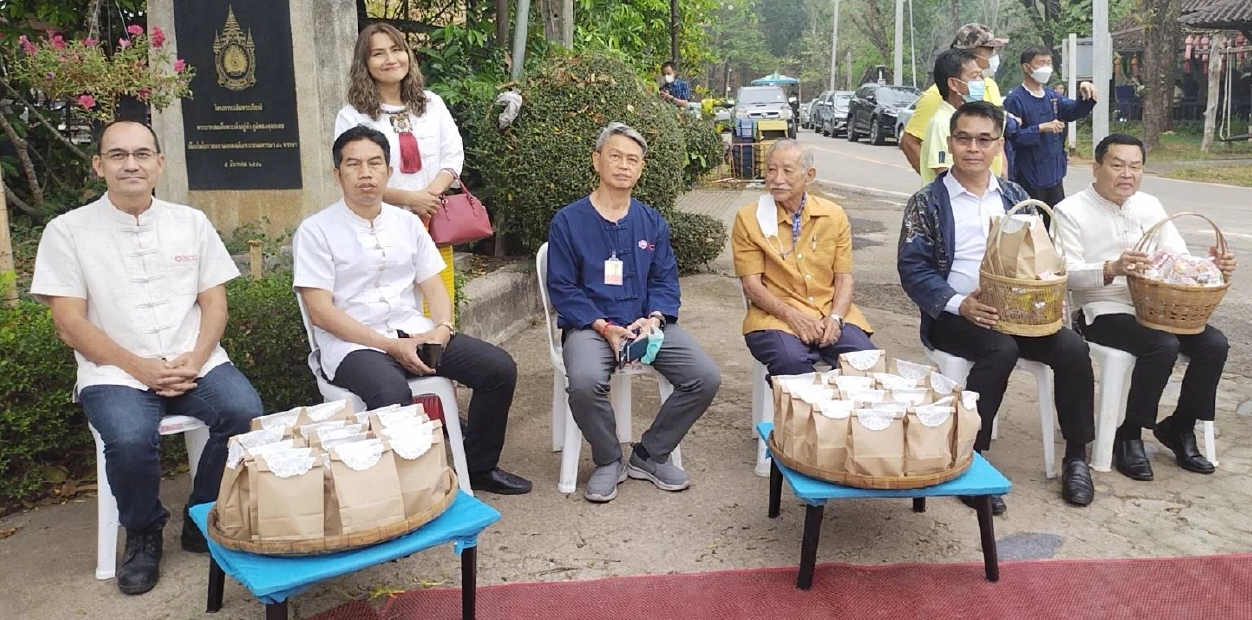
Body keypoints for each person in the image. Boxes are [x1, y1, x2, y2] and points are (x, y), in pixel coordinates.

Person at [30, 120, 264, 595]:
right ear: (99, 165)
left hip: (194, 361)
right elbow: (69, 324)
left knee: (246, 414)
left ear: (159, 163)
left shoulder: (190, 222)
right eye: (117, 155)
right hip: (114, 371)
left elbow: (215, 304)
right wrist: (140, 367)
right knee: (129, 438)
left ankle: (202, 514)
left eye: (141, 154)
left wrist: (194, 360)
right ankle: (143, 532)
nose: (130, 164)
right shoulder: (67, 231)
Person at [293, 125, 532, 494]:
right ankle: (402, 493)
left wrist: (441, 328)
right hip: (353, 346)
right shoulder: (316, 231)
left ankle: (479, 466)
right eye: (353, 164)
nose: (365, 173)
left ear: (389, 172)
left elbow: (434, 286)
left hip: (413, 331)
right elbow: (321, 312)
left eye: (375, 163)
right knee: (391, 394)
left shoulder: (407, 223)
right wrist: (387, 346)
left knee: (498, 369)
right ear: (337, 173)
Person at [897, 101, 1096, 513]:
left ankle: (1076, 456)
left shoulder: (1014, 195)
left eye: (984, 139)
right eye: (964, 138)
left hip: (1019, 312)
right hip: (956, 317)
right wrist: (958, 305)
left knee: (1073, 348)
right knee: (999, 349)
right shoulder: (927, 202)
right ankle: (973, 459)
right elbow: (913, 269)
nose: (974, 148)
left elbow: (1040, 254)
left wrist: (1047, 296)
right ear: (950, 143)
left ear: (999, 145)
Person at [545, 123, 721, 502]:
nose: (624, 166)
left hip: (645, 325)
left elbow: (664, 280)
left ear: (641, 169)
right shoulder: (568, 221)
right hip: (590, 325)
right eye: (615, 156)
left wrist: (654, 319)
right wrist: (603, 326)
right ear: (597, 160)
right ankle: (609, 459)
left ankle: (649, 454)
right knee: (587, 381)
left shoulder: (651, 222)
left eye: (633, 160)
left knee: (704, 377)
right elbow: (562, 287)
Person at [1055, 134, 1233, 480]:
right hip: (1102, 310)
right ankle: (1129, 432)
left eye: (1135, 166)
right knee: (1162, 345)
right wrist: (1112, 268)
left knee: (1214, 344)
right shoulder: (1070, 211)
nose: (1127, 174)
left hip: (1157, 307)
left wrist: (1211, 266)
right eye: (1117, 165)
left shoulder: (1149, 205)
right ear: (1096, 167)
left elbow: (1178, 259)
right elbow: (1063, 276)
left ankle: (1179, 427)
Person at [335, 23, 465, 318]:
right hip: (379, 226)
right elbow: (353, 175)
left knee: (438, 307)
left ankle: (438, 361)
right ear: (364, 64)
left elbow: (453, 156)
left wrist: (427, 199)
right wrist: (409, 200)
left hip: (432, 222)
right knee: (393, 304)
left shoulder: (432, 104)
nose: (390, 59)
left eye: (396, 50)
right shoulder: (353, 116)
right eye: (378, 54)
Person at [732, 139, 878, 377]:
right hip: (775, 318)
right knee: (791, 362)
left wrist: (836, 318)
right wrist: (793, 317)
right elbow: (752, 285)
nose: (777, 179)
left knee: (865, 360)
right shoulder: (749, 219)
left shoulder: (833, 215)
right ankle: (797, 415)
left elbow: (844, 278)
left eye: (787, 171)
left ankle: (837, 415)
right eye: (771, 169)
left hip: (828, 312)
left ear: (809, 176)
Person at [900, 23, 1010, 179]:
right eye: (989, 51)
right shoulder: (936, 96)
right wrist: (935, 186)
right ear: (970, 53)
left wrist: (1002, 168)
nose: (993, 57)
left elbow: (997, 134)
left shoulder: (989, 86)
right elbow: (909, 143)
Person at [1003, 47, 1098, 212]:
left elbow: (1072, 111)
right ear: (1026, 67)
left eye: (1049, 63)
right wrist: (1040, 128)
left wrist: (1085, 96)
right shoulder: (1015, 99)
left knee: (1056, 220)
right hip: (1029, 174)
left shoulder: (1051, 96)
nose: (1046, 68)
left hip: (1054, 174)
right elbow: (1012, 137)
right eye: (1041, 63)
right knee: (1030, 222)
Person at [918, 48, 986, 185]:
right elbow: (945, 174)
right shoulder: (942, 123)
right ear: (954, 84)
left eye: (980, 76)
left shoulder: (963, 119)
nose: (981, 81)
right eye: (974, 76)